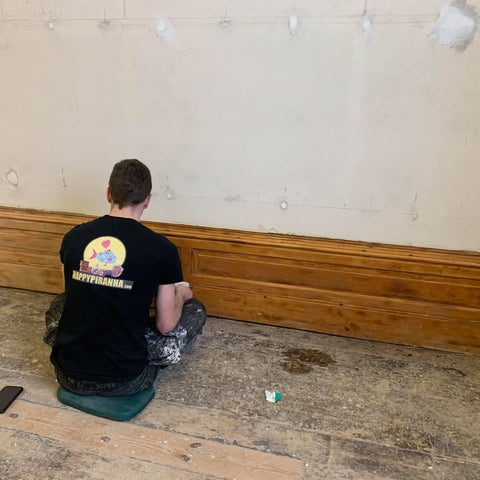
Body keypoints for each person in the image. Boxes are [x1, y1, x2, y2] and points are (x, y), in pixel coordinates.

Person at [43, 159, 207, 396]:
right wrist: (180, 295)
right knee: (195, 310)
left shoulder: (74, 237)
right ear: (147, 200)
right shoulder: (163, 249)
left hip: (67, 374)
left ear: (109, 194)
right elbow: (165, 324)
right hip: (126, 380)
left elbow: (71, 296)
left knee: (59, 303)